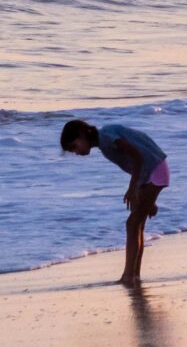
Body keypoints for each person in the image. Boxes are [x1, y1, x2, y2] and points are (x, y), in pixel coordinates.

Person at [61, 118, 169, 285]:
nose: (75, 152)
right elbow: (137, 159)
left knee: (132, 224)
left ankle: (128, 276)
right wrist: (147, 196)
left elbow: (138, 157)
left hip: (154, 171)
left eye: (74, 146)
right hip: (151, 173)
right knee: (136, 225)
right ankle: (134, 275)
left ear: (82, 135)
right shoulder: (106, 138)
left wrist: (133, 188)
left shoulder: (107, 138)